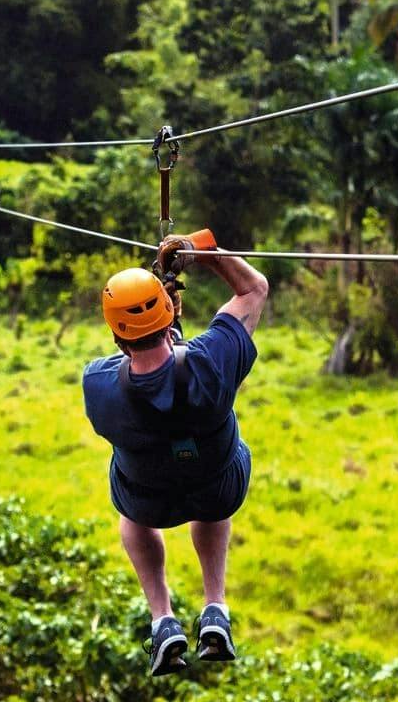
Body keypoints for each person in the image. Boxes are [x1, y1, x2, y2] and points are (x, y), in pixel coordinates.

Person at [81, 233, 270, 675]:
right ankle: (215, 607)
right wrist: (203, 248)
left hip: (150, 501)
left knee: (130, 507)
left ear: (115, 335)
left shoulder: (98, 386)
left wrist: (159, 314)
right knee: (212, 476)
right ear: (170, 322)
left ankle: (163, 618)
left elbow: (144, 368)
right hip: (219, 487)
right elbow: (253, 289)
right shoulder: (212, 362)